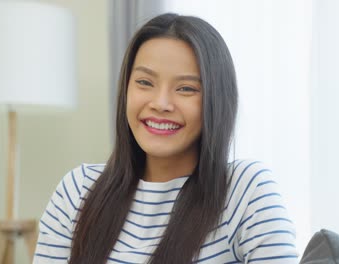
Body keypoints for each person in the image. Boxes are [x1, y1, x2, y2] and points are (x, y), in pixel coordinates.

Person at [33, 13, 298, 264]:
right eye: (145, 83)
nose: (160, 104)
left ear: (217, 101)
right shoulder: (78, 190)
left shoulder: (245, 191)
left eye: (186, 88)